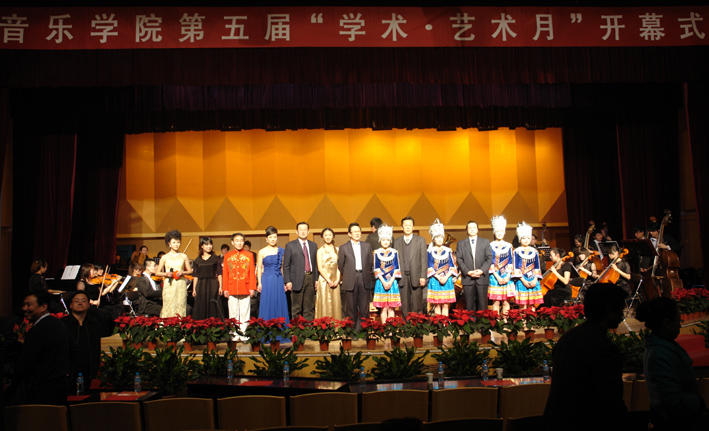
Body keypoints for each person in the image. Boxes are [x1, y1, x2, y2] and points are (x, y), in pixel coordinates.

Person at [543, 283, 628, 431]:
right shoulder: (604, 348)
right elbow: (608, 401)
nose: (622, 315)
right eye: (620, 310)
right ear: (609, 311)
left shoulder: (568, 337)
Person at [636, 297, 708, 430]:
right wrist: (697, 403)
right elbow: (671, 400)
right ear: (667, 323)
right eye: (678, 320)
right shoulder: (659, 354)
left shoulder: (664, 347)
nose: (680, 325)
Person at [9, 292, 72, 405]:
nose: (24, 308)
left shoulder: (38, 329)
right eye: (24, 305)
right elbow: (74, 351)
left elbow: (26, 362)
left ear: (43, 307)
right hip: (60, 386)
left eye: (29, 305)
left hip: (42, 388)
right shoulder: (60, 324)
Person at [62, 291, 114, 383]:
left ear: (88, 305)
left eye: (83, 301)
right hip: (68, 371)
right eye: (76, 301)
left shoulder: (93, 324)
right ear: (70, 305)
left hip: (88, 370)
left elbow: (96, 348)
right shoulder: (63, 324)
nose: (80, 303)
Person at [337, 222, 374, 328]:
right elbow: (341, 265)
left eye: (359, 231)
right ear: (349, 234)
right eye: (355, 232)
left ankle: (363, 331)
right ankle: (352, 332)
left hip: (364, 278)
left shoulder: (367, 246)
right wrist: (349, 274)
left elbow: (370, 263)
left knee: (364, 309)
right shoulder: (343, 248)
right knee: (350, 309)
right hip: (350, 280)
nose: (357, 233)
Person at [222, 233, 257, 341]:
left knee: (245, 311)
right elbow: (225, 273)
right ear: (232, 242)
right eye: (237, 240)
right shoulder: (227, 256)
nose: (239, 243)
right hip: (231, 287)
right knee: (233, 312)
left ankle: (244, 332)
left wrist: (252, 287)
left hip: (245, 286)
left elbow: (252, 272)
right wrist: (225, 288)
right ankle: (234, 333)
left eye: (241, 240)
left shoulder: (249, 255)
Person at [392, 217, 428, 316]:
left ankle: (417, 323)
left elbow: (424, 259)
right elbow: (395, 261)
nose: (408, 227)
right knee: (404, 304)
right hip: (402, 277)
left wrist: (423, 276)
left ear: (413, 227)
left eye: (410, 225)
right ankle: (405, 324)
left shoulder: (420, 240)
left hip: (417, 276)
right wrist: (396, 277)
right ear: (402, 227)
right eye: (405, 225)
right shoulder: (397, 241)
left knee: (417, 304)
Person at [283, 222, 319, 320]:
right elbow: (286, 265)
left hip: (310, 277)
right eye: (301, 230)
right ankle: (297, 328)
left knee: (309, 307)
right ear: (297, 232)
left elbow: (315, 264)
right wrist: (287, 281)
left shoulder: (313, 245)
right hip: (296, 279)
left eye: (305, 230)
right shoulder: (290, 245)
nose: (303, 232)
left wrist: (316, 279)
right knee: (296, 308)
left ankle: (308, 328)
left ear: (308, 231)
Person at [456, 220, 493, 312]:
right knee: (469, 306)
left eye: (474, 228)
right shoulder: (461, 243)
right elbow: (459, 259)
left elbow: (489, 258)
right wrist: (468, 272)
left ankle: (483, 322)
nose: (472, 229)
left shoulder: (485, 242)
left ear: (477, 230)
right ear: (467, 230)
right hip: (468, 278)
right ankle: (471, 321)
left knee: (483, 305)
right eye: (470, 228)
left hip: (482, 278)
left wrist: (481, 270)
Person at [156, 230, 193, 318]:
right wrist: (166, 274)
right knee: (168, 304)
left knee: (180, 304)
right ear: (169, 243)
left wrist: (182, 272)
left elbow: (190, 271)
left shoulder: (184, 256)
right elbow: (157, 272)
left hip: (181, 284)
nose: (176, 244)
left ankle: (180, 323)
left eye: (178, 242)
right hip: (169, 284)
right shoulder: (164, 257)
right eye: (174, 242)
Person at [257, 227, 290, 326]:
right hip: (266, 280)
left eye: (274, 237)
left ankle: (280, 328)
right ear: (266, 238)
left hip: (278, 279)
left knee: (279, 302)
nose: (272, 239)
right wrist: (259, 283)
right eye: (270, 237)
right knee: (267, 302)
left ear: (277, 238)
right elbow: (259, 268)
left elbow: (282, 268)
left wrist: (284, 283)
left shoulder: (281, 251)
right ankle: (266, 327)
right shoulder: (262, 251)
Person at [425, 220, 457, 316]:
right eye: (437, 237)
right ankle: (438, 323)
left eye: (441, 237)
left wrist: (446, 277)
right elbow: (429, 267)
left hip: (447, 279)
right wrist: (438, 277)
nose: (439, 239)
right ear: (433, 239)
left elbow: (452, 266)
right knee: (437, 305)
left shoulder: (448, 251)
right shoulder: (429, 252)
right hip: (435, 280)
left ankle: (445, 323)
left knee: (446, 305)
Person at [372, 225, 401, 323]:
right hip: (381, 282)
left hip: (392, 282)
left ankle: (391, 328)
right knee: (383, 308)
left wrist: (391, 281)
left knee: (391, 308)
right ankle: (384, 328)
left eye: (387, 240)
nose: (385, 242)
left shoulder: (395, 252)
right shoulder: (376, 252)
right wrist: (384, 282)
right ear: (380, 241)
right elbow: (376, 268)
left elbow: (397, 268)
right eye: (383, 240)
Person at [488, 216, 515, 317]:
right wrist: (497, 277)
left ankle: (505, 321)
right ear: (494, 232)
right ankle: (496, 321)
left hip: (507, 276)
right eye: (497, 231)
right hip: (495, 276)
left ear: (505, 232)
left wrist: (508, 276)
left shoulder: (509, 246)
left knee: (506, 302)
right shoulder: (490, 245)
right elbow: (489, 262)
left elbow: (511, 262)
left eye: (501, 231)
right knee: (496, 302)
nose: (499, 233)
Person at [512, 222, 543, 309]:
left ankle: (532, 318)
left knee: (532, 304)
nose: (526, 240)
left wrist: (535, 280)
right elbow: (516, 268)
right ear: (520, 239)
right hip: (522, 280)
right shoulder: (516, 251)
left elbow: (537, 267)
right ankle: (522, 318)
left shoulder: (534, 251)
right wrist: (524, 281)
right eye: (524, 238)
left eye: (528, 238)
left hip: (533, 280)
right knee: (523, 305)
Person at [192, 236, 223, 320]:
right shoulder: (197, 260)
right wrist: (194, 289)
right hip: (201, 285)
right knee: (201, 304)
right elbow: (195, 275)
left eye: (210, 244)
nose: (209, 246)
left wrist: (220, 286)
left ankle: (214, 324)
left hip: (213, 284)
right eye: (206, 244)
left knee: (213, 304)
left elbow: (219, 273)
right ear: (201, 246)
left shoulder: (216, 258)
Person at [315, 227, 342, 319]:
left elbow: (339, 266)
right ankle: (324, 325)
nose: (328, 237)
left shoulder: (337, 249)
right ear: (322, 237)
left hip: (335, 279)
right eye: (325, 235)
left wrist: (337, 280)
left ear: (333, 236)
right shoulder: (320, 250)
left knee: (335, 302)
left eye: (330, 235)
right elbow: (319, 268)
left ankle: (336, 325)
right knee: (324, 303)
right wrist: (328, 280)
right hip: (324, 280)